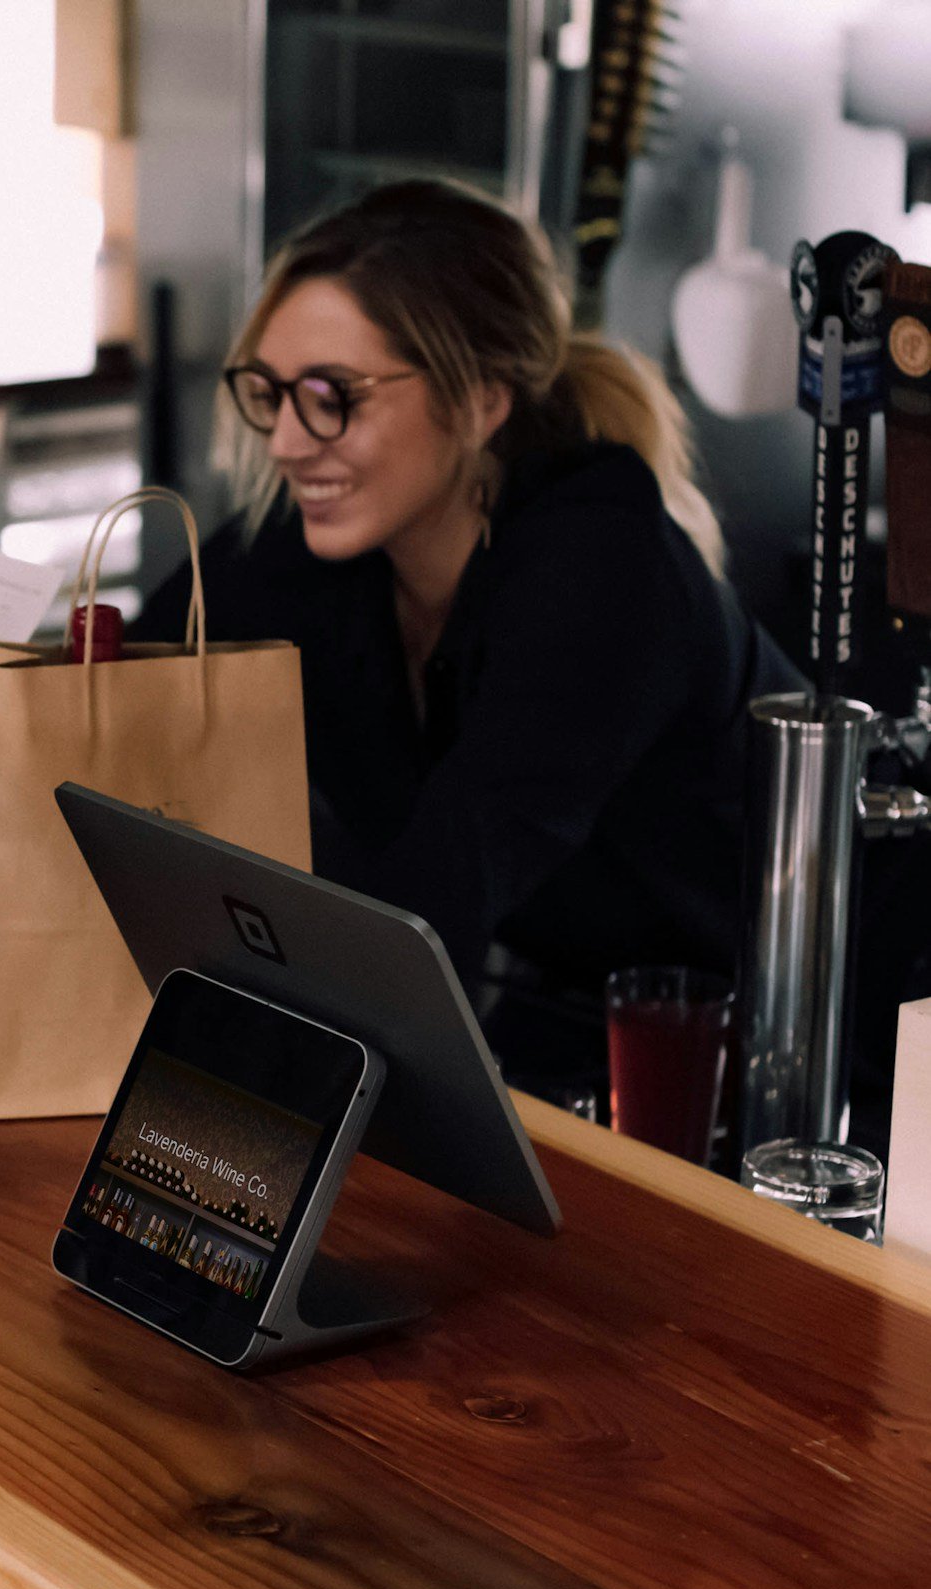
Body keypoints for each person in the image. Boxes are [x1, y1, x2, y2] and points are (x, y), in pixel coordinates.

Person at [133, 179, 804, 1083]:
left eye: (335, 395)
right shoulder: (320, 540)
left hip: (816, 1037)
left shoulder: (599, 562)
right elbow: (100, 678)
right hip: (605, 1016)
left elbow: (427, 910)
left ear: (482, 400)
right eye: (271, 392)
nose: (288, 441)